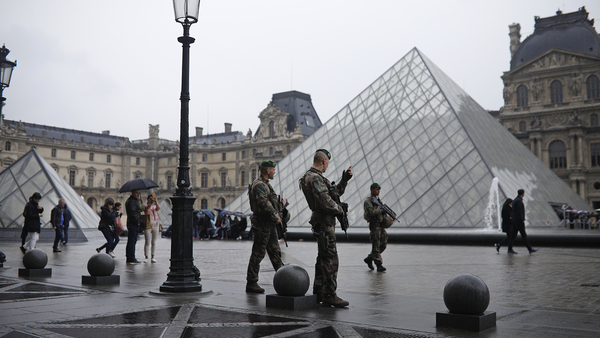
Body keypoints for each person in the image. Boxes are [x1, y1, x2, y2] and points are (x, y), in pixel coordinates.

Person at [299, 149, 353, 308]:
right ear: (324, 161)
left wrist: (344, 180)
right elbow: (326, 202)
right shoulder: (315, 178)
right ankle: (330, 295)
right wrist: (340, 210)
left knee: (322, 257)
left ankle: (319, 291)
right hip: (324, 222)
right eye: (328, 162)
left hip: (321, 221)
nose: (328, 165)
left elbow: (333, 194)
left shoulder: (312, 176)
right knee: (330, 257)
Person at [245, 160, 289, 293]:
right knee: (258, 253)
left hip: (269, 223)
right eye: (273, 169)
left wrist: (281, 205)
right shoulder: (259, 185)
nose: (275, 171)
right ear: (268, 170)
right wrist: (276, 217)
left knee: (275, 252)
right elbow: (263, 202)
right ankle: (251, 282)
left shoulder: (265, 185)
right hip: (263, 223)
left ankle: (286, 279)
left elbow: (270, 203)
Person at [363, 183, 392, 272]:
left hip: (381, 225)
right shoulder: (368, 201)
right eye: (376, 189)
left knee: (383, 244)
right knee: (376, 244)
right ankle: (379, 265)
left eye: (379, 190)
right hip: (374, 225)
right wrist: (380, 210)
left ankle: (369, 258)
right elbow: (371, 212)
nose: (378, 191)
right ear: (372, 190)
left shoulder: (378, 201)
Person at [508, 189, 538, 254]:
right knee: (523, 236)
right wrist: (522, 220)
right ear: (523, 194)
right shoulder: (519, 200)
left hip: (515, 221)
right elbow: (519, 211)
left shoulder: (516, 200)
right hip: (519, 221)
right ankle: (530, 249)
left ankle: (510, 249)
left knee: (513, 236)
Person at [125, 189, 142, 264]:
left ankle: (129, 256)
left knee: (131, 240)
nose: (138, 194)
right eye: (136, 193)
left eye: (139, 193)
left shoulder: (131, 200)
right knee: (132, 240)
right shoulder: (132, 201)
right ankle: (131, 257)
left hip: (131, 222)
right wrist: (137, 221)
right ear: (132, 193)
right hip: (133, 223)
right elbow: (133, 212)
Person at [143, 194, 160, 263]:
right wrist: (150, 203)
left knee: (153, 242)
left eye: (152, 198)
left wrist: (156, 202)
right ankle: (146, 257)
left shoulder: (155, 206)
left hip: (155, 225)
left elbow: (158, 208)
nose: (151, 200)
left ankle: (153, 257)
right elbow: (146, 209)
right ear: (147, 199)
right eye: (150, 198)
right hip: (148, 225)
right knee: (147, 241)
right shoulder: (145, 206)